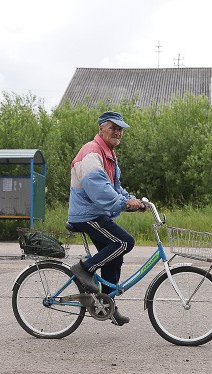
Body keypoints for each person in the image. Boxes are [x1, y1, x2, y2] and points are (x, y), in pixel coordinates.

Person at [67, 111, 145, 326]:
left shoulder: (108, 154)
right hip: (86, 215)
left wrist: (132, 200)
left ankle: (106, 304)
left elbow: (115, 188)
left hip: (97, 214)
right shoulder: (92, 153)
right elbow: (100, 191)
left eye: (120, 129)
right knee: (124, 242)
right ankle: (84, 269)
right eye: (113, 127)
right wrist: (123, 203)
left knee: (115, 255)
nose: (118, 132)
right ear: (101, 127)